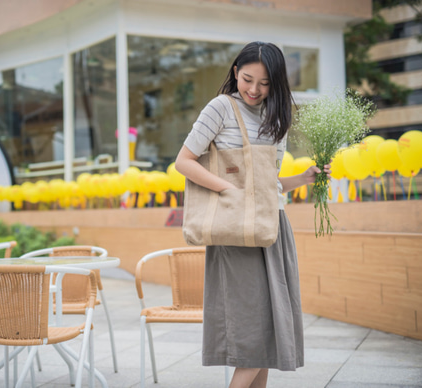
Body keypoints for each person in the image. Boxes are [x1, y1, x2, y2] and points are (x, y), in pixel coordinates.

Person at [174, 41, 332, 388]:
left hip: (273, 227)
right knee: (251, 334)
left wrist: (304, 179)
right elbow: (183, 162)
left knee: (269, 331)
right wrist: (229, 190)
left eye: (264, 83)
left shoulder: (277, 117)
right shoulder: (220, 108)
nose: (254, 90)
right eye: (247, 79)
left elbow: (268, 183)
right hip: (236, 230)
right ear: (235, 73)